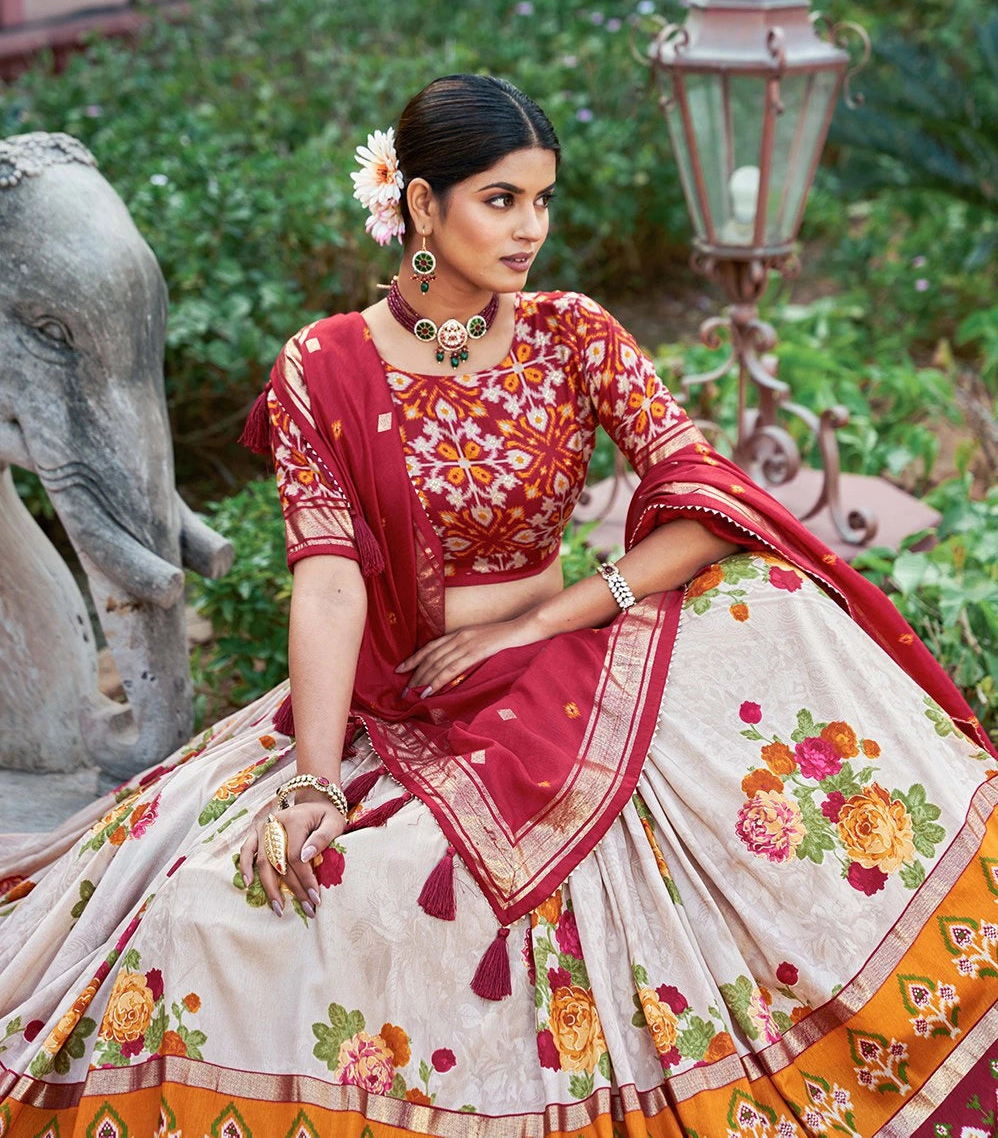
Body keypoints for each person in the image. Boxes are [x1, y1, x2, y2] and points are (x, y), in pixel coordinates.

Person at [1, 74, 996, 1138]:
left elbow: (707, 500)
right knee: (216, 901)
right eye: (501, 199)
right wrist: (314, 778)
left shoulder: (570, 334)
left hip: (562, 664)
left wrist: (547, 614)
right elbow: (329, 577)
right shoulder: (323, 366)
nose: (531, 229)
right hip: (408, 693)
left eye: (543, 199)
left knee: (778, 607)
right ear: (421, 205)